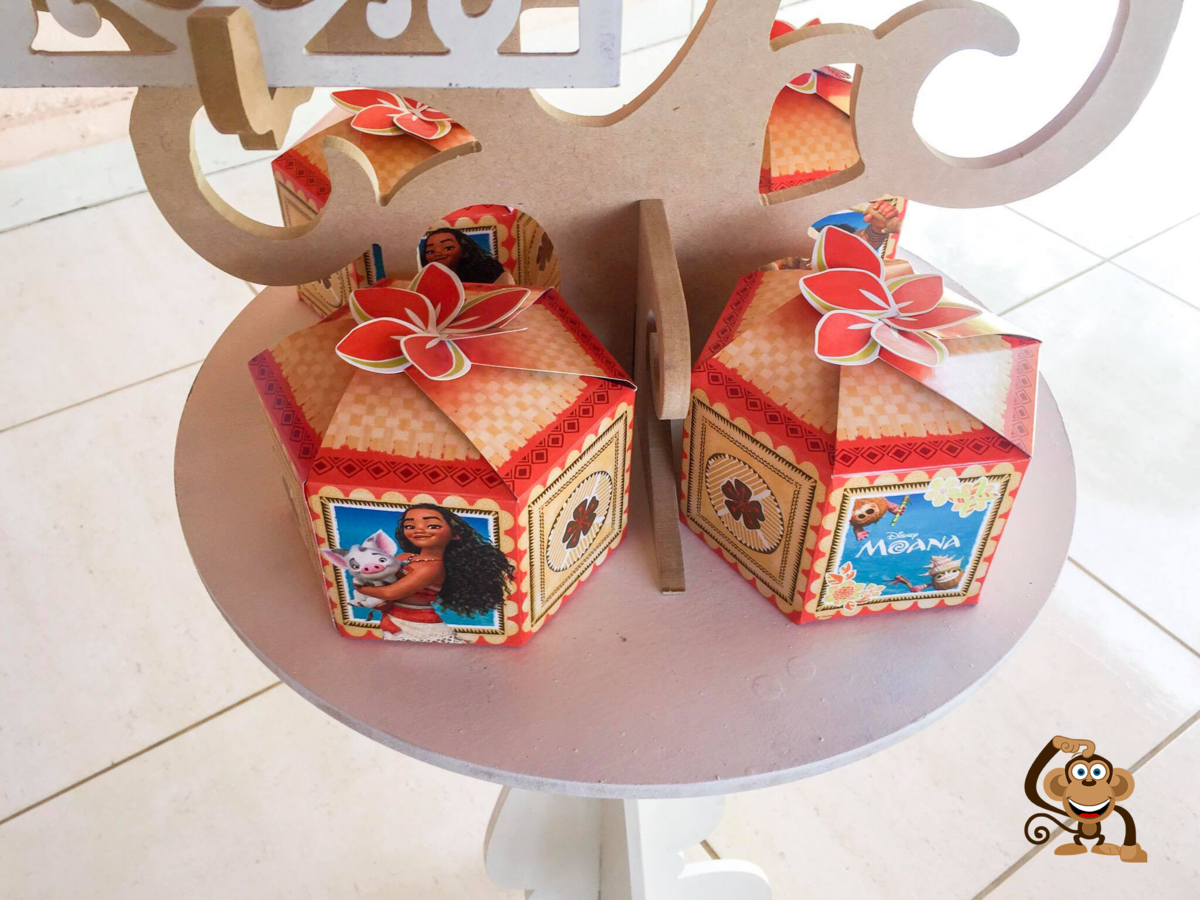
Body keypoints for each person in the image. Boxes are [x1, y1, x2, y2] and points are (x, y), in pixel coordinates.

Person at [355, 504, 515, 643]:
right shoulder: (405, 557)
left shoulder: (432, 568)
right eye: (410, 526)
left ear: (455, 534)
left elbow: (391, 592)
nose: (419, 529)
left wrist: (361, 588)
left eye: (432, 526)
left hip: (418, 622)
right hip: (394, 617)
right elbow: (385, 583)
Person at [422, 228, 510, 284]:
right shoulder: (427, 281)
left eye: (448, 248)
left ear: (465, 250)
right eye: (430, 251)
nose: (437, 254)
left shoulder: (485, 275)